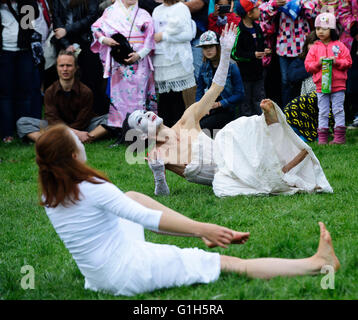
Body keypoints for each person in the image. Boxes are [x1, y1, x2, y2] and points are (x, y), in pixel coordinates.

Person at [35, 122, 340, 296]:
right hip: (129, 273)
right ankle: (317, 264)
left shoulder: (50, 194)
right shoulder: (93, 189)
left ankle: (195, 231)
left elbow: (136, 211)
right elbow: (148, 219)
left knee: (130, 195)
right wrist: (203, 230)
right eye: (76, 139)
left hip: (98, 276)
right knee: (231, 263)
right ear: (74, 154)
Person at [125, 24, 333, 198]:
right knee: (227, 187)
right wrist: (159, 174)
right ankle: (281, 162)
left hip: (230, 151)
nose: (146, 114)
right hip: (223, 176)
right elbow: (162, 195)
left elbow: (216, 89)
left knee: (236, 129)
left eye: (143, 111)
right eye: (140, 119)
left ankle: (268, 125)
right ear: (142, 134)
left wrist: (225, 53)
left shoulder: (187, 119)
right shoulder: (157, 154)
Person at [91, 0, 157, 131]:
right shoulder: (110, 12)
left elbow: (150, 39)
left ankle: (141, 127)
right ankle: (121, 129)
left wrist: (139, 55)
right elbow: (96, 28)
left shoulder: (144, 14)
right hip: (119, 61)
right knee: (119, 96)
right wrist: (104, 39)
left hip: (139, 61)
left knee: (140, 94)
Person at [16, 51, 109, 143]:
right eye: (61, 65)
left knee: (109, 119)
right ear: (57, 68)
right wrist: (74, 133)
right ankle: (49, 141)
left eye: (69, 65)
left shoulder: (86, 91)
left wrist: (71, 131)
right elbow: (52, 120)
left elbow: (82, 121)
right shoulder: (50, 91)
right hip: (58, 128)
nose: (65, 69)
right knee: (23, 122)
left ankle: (85, 137)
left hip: (83, 127)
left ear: (76, 68)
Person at [52, 0, 109, 116]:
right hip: (65, 43)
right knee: (67, 79)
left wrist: (67, 30)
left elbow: (92, 17)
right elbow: (57, 21)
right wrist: (66, 44)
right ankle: (70, 114)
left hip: (87, 41)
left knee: (91, 79)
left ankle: (95, 115)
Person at [305, 12, 352, 145]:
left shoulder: (340, 46)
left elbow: (348, 62)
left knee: (338, 109)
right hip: (321, 85)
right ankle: (323, 138)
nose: (320, 31)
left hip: (338, 85)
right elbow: (308, 66)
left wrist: (336, 61)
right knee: (323, 111)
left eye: (324, 28)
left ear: (332, 29)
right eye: (318, 28)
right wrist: (318, 63)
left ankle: (339, 137)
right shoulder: (314, 48)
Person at [260, 0, 318, 108]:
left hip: (302, 45)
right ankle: (287, 112)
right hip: (284, 45)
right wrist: (275, 5)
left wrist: (298, 4)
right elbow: (263, 14)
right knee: (285, 81)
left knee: (302, 80)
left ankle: (303, 110)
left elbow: (312, 12)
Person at [152, 0, 196, 127]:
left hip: (177, 59)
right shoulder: (157, 10)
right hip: (160, 59)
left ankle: (177, 128)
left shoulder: (181, 8)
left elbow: (188, 34)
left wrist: (164, 36)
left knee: (176, 95)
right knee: (164, 96)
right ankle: (164, 128)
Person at [0, 0, 39, 143]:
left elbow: (29, 26)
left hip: (24, 52)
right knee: (5, 93)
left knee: (24, 93)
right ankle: (7, 132)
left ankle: (25, 132)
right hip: (4, 52)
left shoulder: (27, 4)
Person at [196, 30, 245, 134]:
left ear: (218, 47)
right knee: (195, 126)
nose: (208, 50)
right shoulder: (204, 67)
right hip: (210, 108)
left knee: (203, 127)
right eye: (205, 47)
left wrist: (219, 104)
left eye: (211, 46)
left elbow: (240, 94)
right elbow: (199, 91)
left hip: (228, 109)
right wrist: (200, 108)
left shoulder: (231, 66)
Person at [231, 0, 271, 116]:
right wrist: (252, 55)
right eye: (256, 9)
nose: (259, 11)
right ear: (249, 13)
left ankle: (262, 123)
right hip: (244, 76)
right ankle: (248, 127)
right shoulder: (239, 31)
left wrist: (265, 50)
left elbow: (261, 44)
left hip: (258, 73)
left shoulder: (257, 27)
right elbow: (235, 54)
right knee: (245, 102)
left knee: (260, 100)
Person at [284, 32, 319, 142]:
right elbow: (292, 76)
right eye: (311, 43)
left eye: (317, 44)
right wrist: (313, 67)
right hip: (302, 101)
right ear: (307, 45)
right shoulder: (300, 61)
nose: (314, 47)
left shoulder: (327, 60)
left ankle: (311, 134)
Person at [338, 0, 358, 129]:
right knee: (354, 81)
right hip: (353, 39)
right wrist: (355, 31)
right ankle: (357, 115)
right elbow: (343, 12)